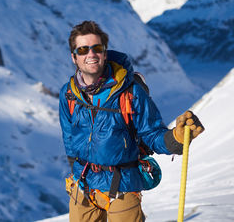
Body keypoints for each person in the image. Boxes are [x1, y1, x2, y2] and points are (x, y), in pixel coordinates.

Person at [59, 21, 204, 222]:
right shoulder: (68, 94)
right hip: (83, 186)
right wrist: (76, 172)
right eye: (83, 49)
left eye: (97, 48)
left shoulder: (130, 92)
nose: (90, 54)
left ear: (105, 53)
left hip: (122, 185)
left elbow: (152, 133)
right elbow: (69, 138)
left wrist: (176, 138)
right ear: (74, 57)